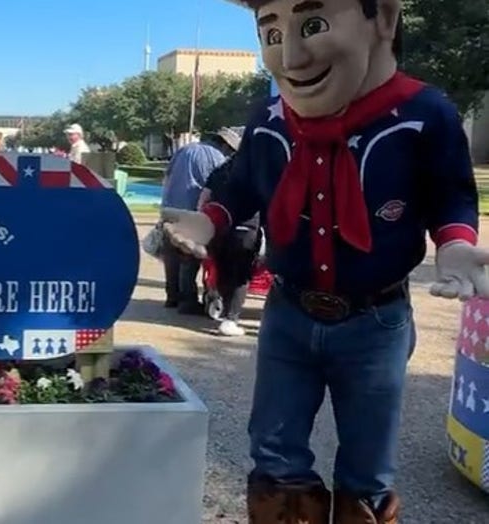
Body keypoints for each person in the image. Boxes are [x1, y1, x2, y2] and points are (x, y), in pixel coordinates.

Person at [162, 1, 489, 522]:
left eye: (313, 25)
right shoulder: (270, 119)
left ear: (382, 17)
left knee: (367, 471)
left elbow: (450, 193)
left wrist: (454, 244)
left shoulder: (424, 114)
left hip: (375, 321)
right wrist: (209, 221)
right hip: (288, 315)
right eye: (270, 34)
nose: (290, 55)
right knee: (274, 452)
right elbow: (242, 182)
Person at [197, 128, 262, 336]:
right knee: (240, 275)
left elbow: (203, 200)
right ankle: (231, 319)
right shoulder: (259, 171)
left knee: (223, 271)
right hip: (247, 228)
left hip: (220, 228)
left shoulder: (221, 169)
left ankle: (225, 313)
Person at [160, 138, 228, 314]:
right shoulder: (217, 156)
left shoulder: (183, 150)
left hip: (170, 207)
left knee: (172, 256)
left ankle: (172, 296)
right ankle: (188, 300)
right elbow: (218, 184)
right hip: (194, 209)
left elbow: (166, 177)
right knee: (189, 256)